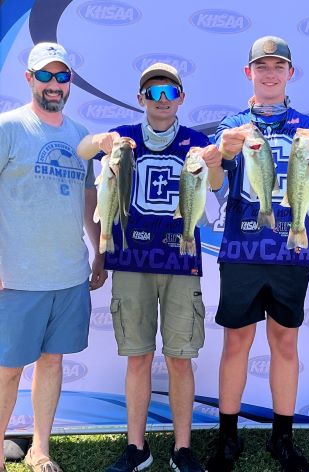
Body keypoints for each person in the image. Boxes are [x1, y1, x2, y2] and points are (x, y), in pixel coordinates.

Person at [77, 62, 223, 472]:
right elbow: (82, 151)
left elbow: (213, 188)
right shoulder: (121, 139)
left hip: (182, 262)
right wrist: (99, 142)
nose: (161, 100)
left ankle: (182, 448)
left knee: (180, 359)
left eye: (169, 92)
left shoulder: (197, 141)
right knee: (138, 357)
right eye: (152, 93)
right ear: (141, 98)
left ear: (181, 98)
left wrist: (211, 162)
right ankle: (136, 447)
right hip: (131, 262)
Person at [206, 36, 309, 472]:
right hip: (241, 250)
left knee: (285, 342)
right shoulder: (232, 124)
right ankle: (228, 438)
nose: (269, 73)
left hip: (291, 251)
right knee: (236, 344)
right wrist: (217, 157)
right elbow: (213, 185)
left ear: (290, 73)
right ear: (249, 73)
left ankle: (283, 438)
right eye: (261, 66)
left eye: (277, 66)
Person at [0, 42, 107, 472]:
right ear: (29, 79)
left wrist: (100, 250)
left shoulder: (80, 136)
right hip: (17, 277)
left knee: (52, 363)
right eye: (45, 75)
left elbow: (89, 198)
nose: (54, 84)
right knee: (7, 370)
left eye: (62, 77)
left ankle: (40, 449)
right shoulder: (9, 127)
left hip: (68, 274)